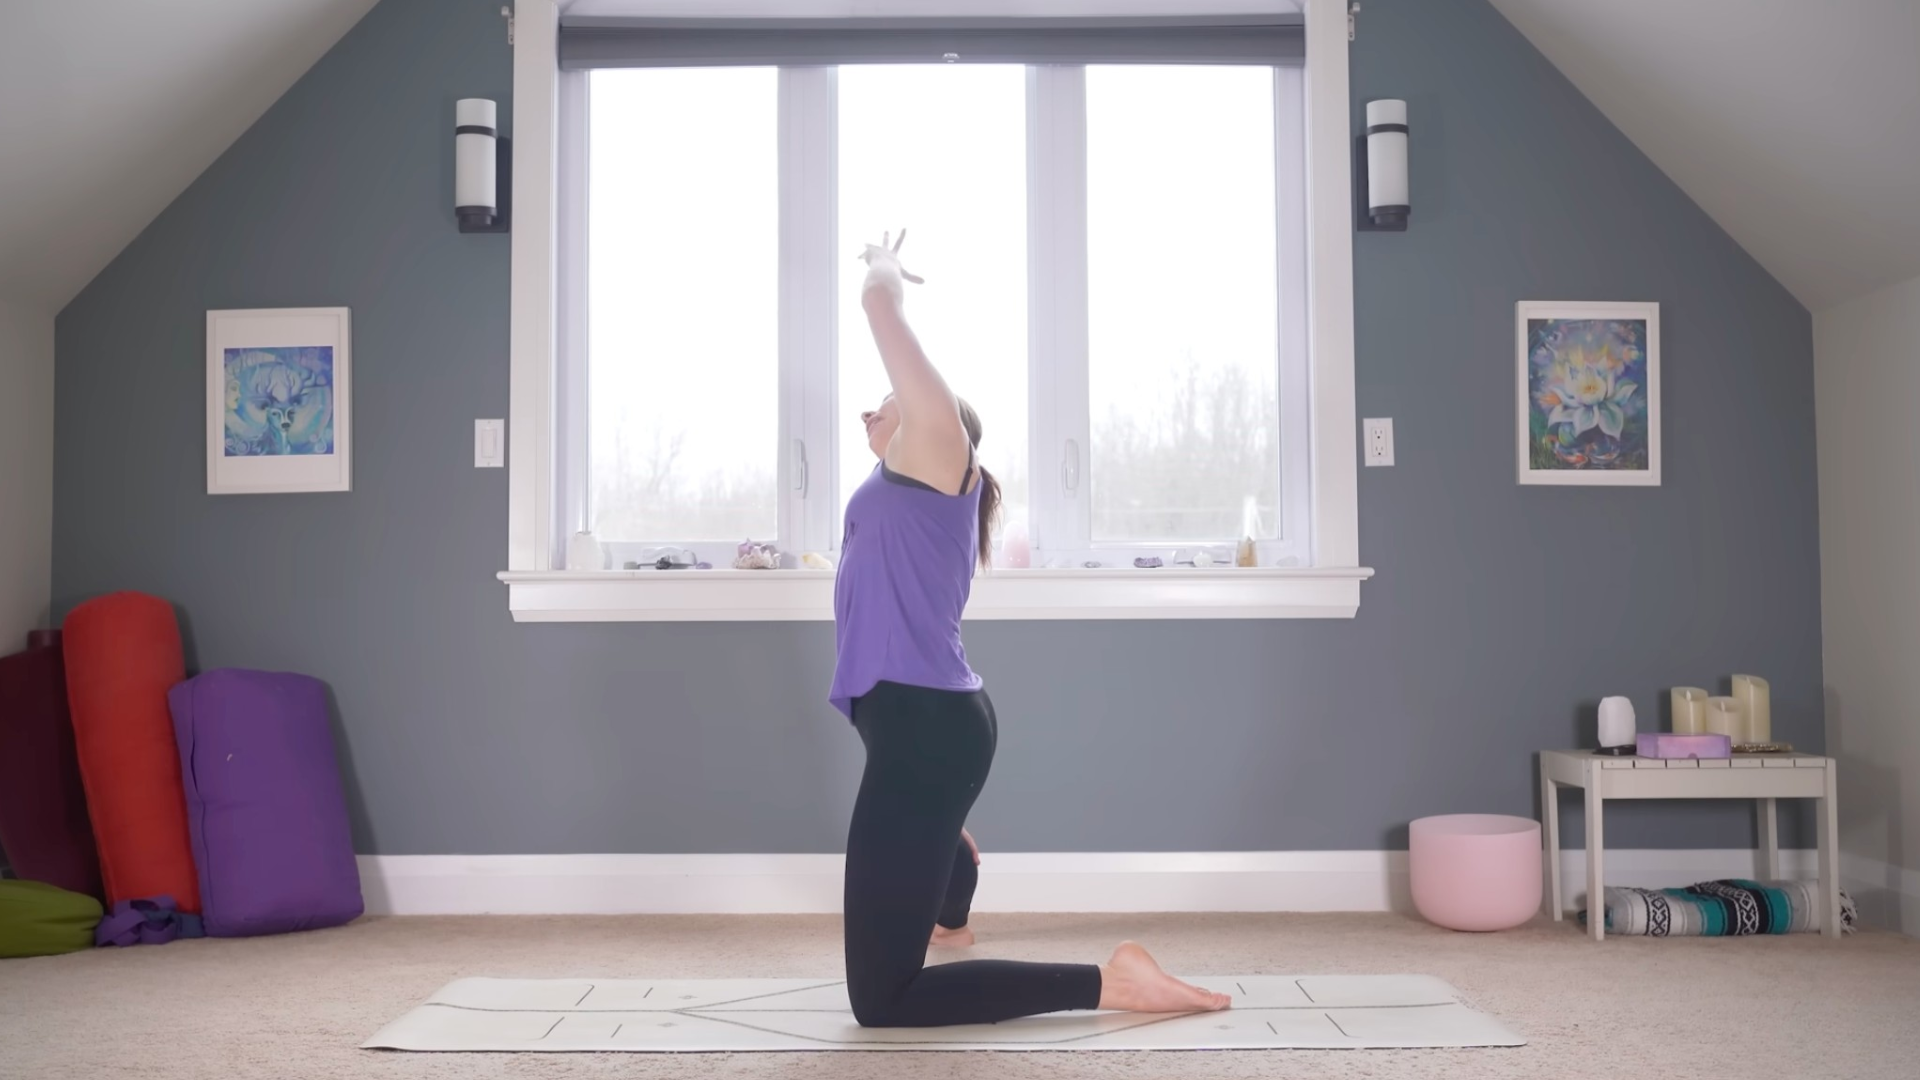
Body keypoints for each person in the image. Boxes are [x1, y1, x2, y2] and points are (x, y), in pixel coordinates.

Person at [832, 230, 1233, 1028]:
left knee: (882, 999)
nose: (868, 408)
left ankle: (1113, 982)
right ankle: (952, 869)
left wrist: (881, 265)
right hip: (913, 726)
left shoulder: (942, 453)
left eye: (887, 400)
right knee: (909, 833)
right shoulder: (897, 485)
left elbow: (880, 306)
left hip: (926, 731)